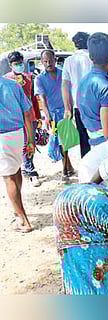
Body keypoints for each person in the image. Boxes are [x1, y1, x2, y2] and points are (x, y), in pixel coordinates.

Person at [0, 77, 35, 232]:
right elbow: (28, 113)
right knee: (16, 170)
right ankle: (17, 207)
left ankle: (23, 221)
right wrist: (31, 140)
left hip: (2, 136)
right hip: (17, 133)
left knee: (8, 178)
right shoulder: (12, 84)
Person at [34, 49, 74, 181]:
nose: (48, 63)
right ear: (41, 62)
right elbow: (43, 100)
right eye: (45, 61)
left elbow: (69, 93)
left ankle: (65, 170)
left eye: (50, 60)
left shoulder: (63, 74)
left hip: (65, 111)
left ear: (55, 60)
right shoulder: (39, 79)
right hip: (52, 113)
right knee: (57, 141)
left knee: (65, 141)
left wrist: (70, 109)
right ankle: (68, 166)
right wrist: (47, 116)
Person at [4, 51, 42, 187]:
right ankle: (26, 169)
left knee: (30, 143)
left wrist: (37, 116)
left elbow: (33, 98)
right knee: (21, 144)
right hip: (15, 119)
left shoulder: (29, 78)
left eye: (21, 63)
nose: (19, 66)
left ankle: (30, 169)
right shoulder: (7, 80)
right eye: (16, 64)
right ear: (10, 65)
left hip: (29, 115)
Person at [61, 31, 93, 158]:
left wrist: (67, 108)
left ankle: (87, 168)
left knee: (83, 139)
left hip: (78, 106)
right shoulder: (92, 58)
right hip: (94, 104)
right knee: (97, 137)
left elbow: (65, 85)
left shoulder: (69, 61)